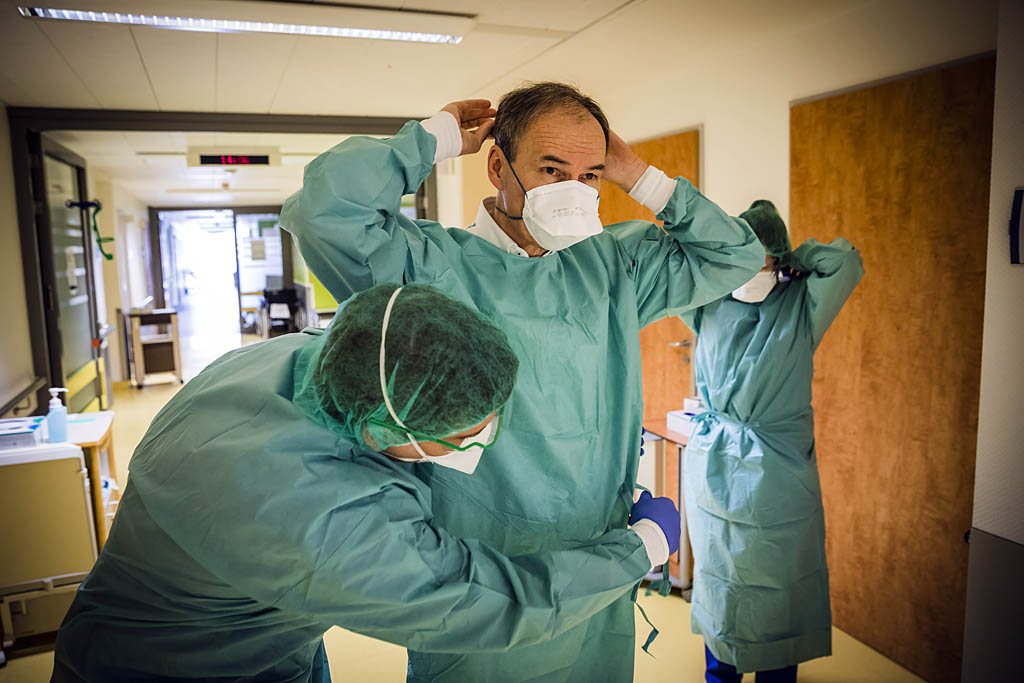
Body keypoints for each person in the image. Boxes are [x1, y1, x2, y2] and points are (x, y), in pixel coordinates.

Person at [279, 82, 765, 682]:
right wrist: (428, 141)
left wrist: (638, 174)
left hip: (599, 564)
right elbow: (323, 211)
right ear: (497, 166)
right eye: (551, 168)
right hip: (482, 570)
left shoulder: (614, 267)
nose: (573, 191)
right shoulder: (427, 267)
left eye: (590, 174)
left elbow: (736, 256)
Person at [50, 283, 681, 683]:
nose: (482, 444)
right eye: (465, 436)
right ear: (385, 427)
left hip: (255, 640)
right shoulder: (315, 523)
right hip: (181, 668)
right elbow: (485, 601)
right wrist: (642, 548)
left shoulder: (285, 361)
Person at [679, 200, 864, 682]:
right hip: (715, 468)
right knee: (721, 583)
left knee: (779, 591)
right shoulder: (708, 302)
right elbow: (673, 262)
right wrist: (726, 256)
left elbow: (845, 261)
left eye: (765, 258)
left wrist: (791, 257)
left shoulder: (800, 304)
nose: (754, 268)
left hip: (777, 476)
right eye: (745, 257)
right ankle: (721, 674)